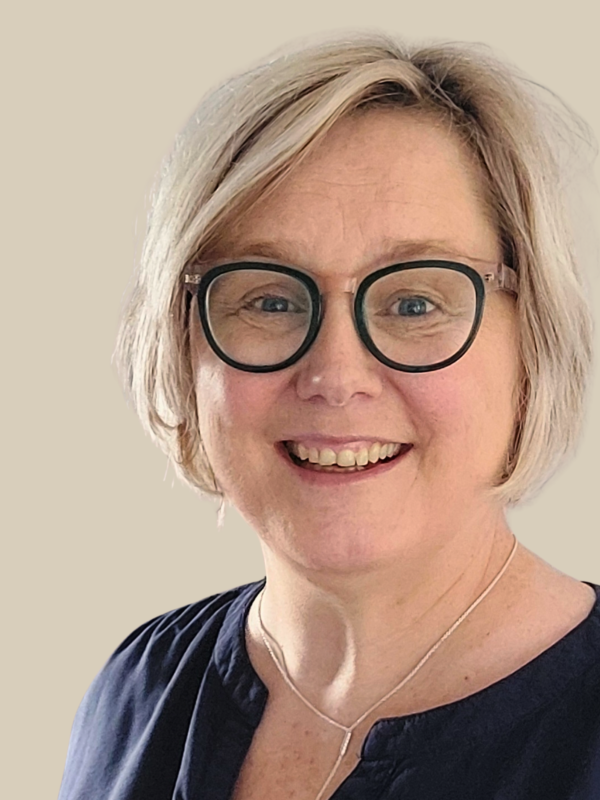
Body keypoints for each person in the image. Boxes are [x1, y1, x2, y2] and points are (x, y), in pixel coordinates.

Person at [58, 31, 600, 800]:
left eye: (415, 302)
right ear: (183, 343)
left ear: (533, 338)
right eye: (270, 300)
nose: (335, 377)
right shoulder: (138, 691)